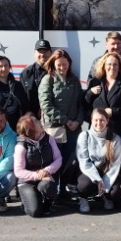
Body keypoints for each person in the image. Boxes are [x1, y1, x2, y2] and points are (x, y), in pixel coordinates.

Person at [38, 49, 86, 196]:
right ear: (53, 64)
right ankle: (53, 191)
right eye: (59, 64)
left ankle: (64, 189)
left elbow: (81, 104)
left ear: (69, 64)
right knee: (55, 161)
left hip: (73, 129)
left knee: (71, 160)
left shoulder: (74, 80)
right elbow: (46, 105)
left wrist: (78, 121)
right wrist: (66, 120)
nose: (62, 67)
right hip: (55, 128)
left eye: (65, 64)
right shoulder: (48, 79)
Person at [13, 112, 62, 218]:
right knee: (35, 212)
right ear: (31, 129)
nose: (40, 122)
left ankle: (48, 203)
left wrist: (47, 170)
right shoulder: (21, 145)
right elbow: (18, 171)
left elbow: (58, 159)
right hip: (27, 181)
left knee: (48, 185)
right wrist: (38, 175)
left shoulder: (49, 139)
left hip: (47, 177)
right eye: (36, 122)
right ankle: (28, 199)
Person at [76, 107, 121, 213]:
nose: (98, 123)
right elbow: (84, 161)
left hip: (107, 170)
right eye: (96, 120)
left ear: (107, 121)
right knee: (84, 185)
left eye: (102, 120)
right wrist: (98, 180)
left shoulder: (116, 139)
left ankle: (105, 196)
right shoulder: (84, 136)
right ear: (91, 121)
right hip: (89, 170)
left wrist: (105, 183)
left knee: (115, 192)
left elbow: (115, 165)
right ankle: (83, 198)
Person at [85, 52, 121, 137]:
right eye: (109, 64)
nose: (112, 67)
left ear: (119, 67)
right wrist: (90, 93)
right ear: (104, 66)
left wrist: (113, 111)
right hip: (96, 131)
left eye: (115, 64)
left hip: (117, 131)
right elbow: (85, 104)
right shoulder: (95, 82)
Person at [20, 40, 53, 117]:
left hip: (50, 116)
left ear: (50, 53)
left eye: (45, 51)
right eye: (40, 51)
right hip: (30, 118)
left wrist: (44, 109)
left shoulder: (55, 72)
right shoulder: (26, 73)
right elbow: (22, 98)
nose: (42, 54)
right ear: (34, 53)